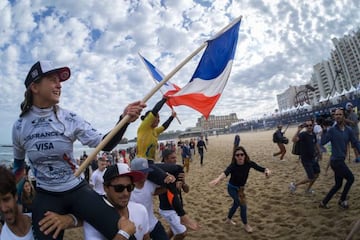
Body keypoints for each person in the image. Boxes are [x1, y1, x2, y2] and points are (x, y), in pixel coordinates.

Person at [12, 60, 146, 239]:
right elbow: (19, 168)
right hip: (46, 195)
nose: (59, 85)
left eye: (59, 80)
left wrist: (124, 119)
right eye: (52, 79)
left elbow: (104, 144)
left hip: (77, 189)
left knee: (124, 231)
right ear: (34, 87)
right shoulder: (20, 126)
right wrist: (14, 202)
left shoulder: (70, 118)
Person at [136, 98, 199, 231]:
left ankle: (178, 188)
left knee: (178, 168)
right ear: (148, 119)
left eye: (159, 118)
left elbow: (165, 126)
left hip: (151, 164)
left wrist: (172, 117)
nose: (158, 119)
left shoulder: (154, 131)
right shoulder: (144, 127)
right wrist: (164, 98)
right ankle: (182, 215)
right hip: (143, 165)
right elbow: (155, 109)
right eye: (156, 117)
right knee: (169, 180)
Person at [0, 165, 77, 240]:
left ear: (16, 196)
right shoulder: (4, 237)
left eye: (6, 199)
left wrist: (68, 220)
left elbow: (84, 219)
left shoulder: (40, 217)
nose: (3, 208)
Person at [209, 146, 270, 233]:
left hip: (241, 189)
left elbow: (261, 168)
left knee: (236, 204)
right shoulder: (233, 165)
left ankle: (228, 219)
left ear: (245, 155)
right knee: (242, 204)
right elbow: (225, 172)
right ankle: (246, 225)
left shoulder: (249, 163)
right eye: (237, 155)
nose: (240, 156)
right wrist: (218, 179)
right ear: (235, 157)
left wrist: (267, 171)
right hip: (232, 188)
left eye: (242, 154)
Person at [83, 163, 150, 240]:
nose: (126, 193)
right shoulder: (94, 219)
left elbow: (146, 237)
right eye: (119, 188)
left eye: (129, 187)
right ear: (106, 188)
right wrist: (123, 234)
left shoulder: (141, 210)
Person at [319, 108, 360, 209]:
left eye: (340, 114)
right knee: (351, 178)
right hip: (335, 161)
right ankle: (342, 200)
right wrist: (324, 130)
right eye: (336, 115)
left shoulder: (348, 130)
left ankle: (323, 203)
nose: (337, 116)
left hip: (341, 160)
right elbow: (323, 142)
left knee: (338, 184)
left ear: (344, 116)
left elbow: (355, 142)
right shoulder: (332, 130)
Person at [130, 158, 170, 240]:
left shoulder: (150, 183)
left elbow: (156, 191)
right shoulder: (127, 190)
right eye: (142, 172)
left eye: (147, 171)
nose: (145, 175)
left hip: (153, 223)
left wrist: (170, 179)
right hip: (138, 228)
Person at [160, 149, 189, 240]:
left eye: (175, 157)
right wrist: (173, 186)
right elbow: (158, 191)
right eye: (172, 158)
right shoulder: (160, 172)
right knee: (183, 233)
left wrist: (183, 183)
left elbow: (186, 190)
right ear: (165, 159)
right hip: (167, 208)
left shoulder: (178, 170)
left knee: (173, 230)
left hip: (178, 205)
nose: (175, 160)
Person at [289, 120, 321, 194]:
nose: (309, 127)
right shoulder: (303, 134)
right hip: (306, 160)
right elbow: (293, 140)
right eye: (307, 126)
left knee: (317, 174)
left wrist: (319, 152)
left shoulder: (313, 134)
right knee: (311, 177)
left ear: (313, 126)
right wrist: (298, 130)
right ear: (305, 127)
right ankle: (294, 185)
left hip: (313, 158)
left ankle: (308, 189)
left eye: (310, 125)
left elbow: (315, 143)